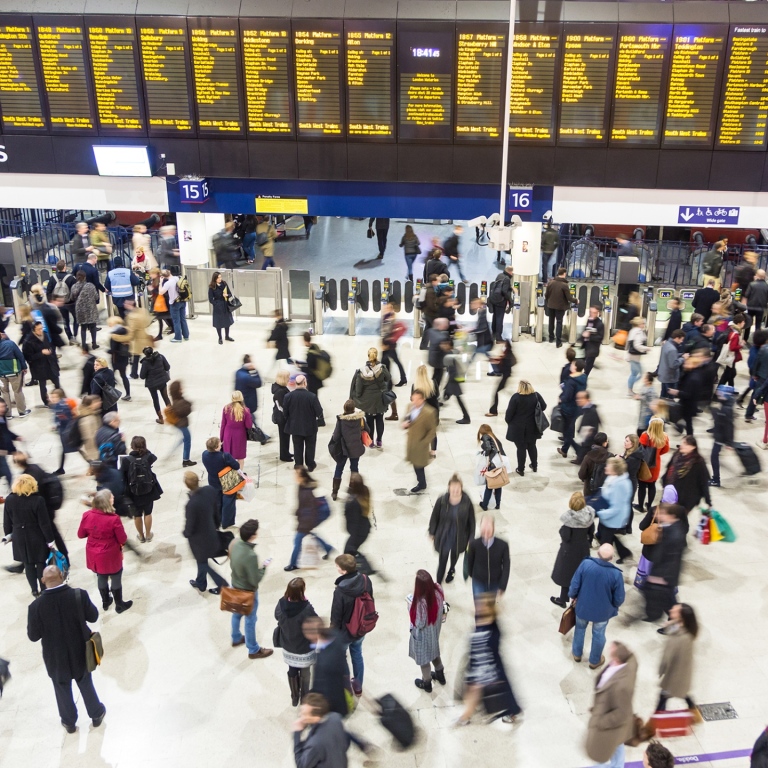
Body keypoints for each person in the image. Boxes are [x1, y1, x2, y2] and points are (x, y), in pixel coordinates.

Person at [27, 565, 107, 734]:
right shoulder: (79, 595)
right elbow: (93, 616)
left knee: (61, 687)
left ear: (42, 581)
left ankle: (69, 722)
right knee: (85, 682)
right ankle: (96, 714)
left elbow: (33, 636)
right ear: (62, 576)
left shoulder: (35, 607)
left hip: (54, 657)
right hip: (80, 651)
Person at [457, 593, 521, 725]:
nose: (477, 607)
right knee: (473, 689)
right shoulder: (482, 620)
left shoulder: (492, 630)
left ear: (487, 609)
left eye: (481, 605)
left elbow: (489, 650)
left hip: (486, 666)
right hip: (478, 663)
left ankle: (466, 716)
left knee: (478, 689)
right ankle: (466, 715)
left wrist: (485, 671)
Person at [569, 544, 626, 669]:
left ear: (597, 554)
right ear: (612, 558)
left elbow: (575, 584)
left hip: (583, 606)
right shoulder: (616, 574)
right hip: (602, 612)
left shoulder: (585, 564)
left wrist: (572, 596)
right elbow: (619, 598)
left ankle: (577, 654)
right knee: (599, 634)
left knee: (579, 629)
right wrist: (614, 605)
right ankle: (594, 661)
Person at [77, 489, 132, 613]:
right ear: (107, 503)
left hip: (94, 553)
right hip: (111, 553)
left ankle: (106, 601)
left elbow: (81, 534)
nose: (113, 498)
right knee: (116, 576)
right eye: (111, 498)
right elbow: (122, 538)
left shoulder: (87, 515)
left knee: (101, 576)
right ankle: (119, 605)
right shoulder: (114, 519)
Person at [585, 641, 638, 768]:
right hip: (612, 722)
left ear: (617, 657)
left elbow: (621, 714)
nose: (609, 648)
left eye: (612, 649)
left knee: (610, 748)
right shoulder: (623, 662)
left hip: (612, 725)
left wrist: (601, 722)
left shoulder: (622, 686)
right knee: (617, 745)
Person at [2, 474, 54, 596]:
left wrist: (8, 535)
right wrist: (50, 540)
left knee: (28, 564)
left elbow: (7, 521)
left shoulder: (10, 499)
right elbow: (44, 523)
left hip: (19, 537)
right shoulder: (38, 500)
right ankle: (44, 588)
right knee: (41, 562)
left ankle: (34, 590)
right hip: (37, 536)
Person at [230, 518, 273, 660]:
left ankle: (236, 637)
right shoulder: (251, 555)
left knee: (236, 613)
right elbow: (255, 579)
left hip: (235, 584)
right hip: (247, 591)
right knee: (250, 619)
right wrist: (263, 568)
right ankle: (253, 650)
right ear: (252, 536)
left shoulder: (235, 543)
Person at [330, 553, 372, 696]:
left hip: (345, 632)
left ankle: (345, 686)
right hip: (361, 627)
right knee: (357, 654)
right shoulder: (366, 580)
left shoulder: (340, 590)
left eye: (337, 566)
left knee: (342, 658)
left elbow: (336, 615)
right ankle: (358, 686)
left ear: (343, 570)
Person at [183, 471, 227, 594]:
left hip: (199, 541)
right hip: (212, 533)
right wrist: (217, 524)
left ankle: (221, 584)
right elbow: (216, 510)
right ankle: (200, 582)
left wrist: (185, 533)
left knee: (203, 563)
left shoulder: (191, 504)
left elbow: (190, 527)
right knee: (202, 562)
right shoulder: (209, 490)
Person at [276, 577, 318, 706]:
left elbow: (277, 616)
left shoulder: (281, 603)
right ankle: (304, 697)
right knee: (305, 673)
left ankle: (294, 696)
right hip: (303, 647)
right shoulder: (306, 609)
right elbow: (315, 622)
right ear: (302, 591)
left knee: (292, 669)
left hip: (288, 645)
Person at [428, 474, 476, 584]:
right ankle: (438, 585)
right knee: (442, 561)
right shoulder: (442, 500)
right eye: (453, 488)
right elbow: (434, 516)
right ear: (448, 488)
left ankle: (452, 569)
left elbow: (472, 521)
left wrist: (471, 538)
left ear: (461, 488)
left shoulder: (466, 501)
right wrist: (432, 531)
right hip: (444, 536)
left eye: (457, 489)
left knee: (454, 557)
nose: (455, 491)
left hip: (460, 537)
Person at [643, 503, 687, 621]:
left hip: (665, 576)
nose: (658, 515)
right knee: (663, 597)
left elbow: (671, 560)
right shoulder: (670, 527)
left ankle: (676, 622)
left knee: (669, 602)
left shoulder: (675, 534)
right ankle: (654, 615)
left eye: (662, 513)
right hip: (662, 573)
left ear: (672, 515)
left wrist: (660, 577)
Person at [285, 467, 334, 571]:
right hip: (305, 519)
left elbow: (311, 511)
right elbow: (302, 505)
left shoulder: (307, 492)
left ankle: (293, 564)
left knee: (297, 540)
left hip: (307, 521)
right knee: (311, 534)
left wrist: (304, 525)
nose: (294, 477)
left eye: (296, 475)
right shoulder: (301, 486)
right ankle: (328, 548)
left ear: (302, 477)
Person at [550, 492, 595, 607]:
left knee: (566, 575)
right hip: (583, 549)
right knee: (580, 574)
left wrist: (561, 529)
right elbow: (591, 533)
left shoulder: (569, 521)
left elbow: (566, 537)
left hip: (569, 551)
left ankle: (562, 599)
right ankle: (577, 600)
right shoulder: (589, 517)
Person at [301, 618, 349, 718]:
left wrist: (310, 700)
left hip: (330, 704)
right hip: (340, 688)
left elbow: (320, 686)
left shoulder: (324, 660)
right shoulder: (336, 635)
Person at [662, 436, 711, 532]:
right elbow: (669, 468)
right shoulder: (677, 454)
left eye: (685, 444)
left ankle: (680, 538)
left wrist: (708, 502)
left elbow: (704, 483)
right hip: (671, 493)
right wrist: (664, 481)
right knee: (669, 517)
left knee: (678, 520)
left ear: (693, 447)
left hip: (686, 499)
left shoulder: (698, 462)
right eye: (682, 443)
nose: (682, 445)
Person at [408, 569, 445, 692]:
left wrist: (409, 607)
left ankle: (427, 683)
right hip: (435, 632)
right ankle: (440, 675)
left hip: (423, 636)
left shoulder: (420, 603)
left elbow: (419, 623)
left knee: (424, 661)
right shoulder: (439, 590)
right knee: (434, 652)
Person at [594, 457, 634, 563]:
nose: (606, 467)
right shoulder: (612, 477)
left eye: (608, 466)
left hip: (612, 518)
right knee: (607, 535)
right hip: (607, 514)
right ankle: (624, 552)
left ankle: (603, 563)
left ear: (615, 469)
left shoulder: (620, 484)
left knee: (605, 542)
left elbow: (616, 508)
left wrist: (600, 513)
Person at [123, 435, 162, 544]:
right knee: (148, 513)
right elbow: (154, 457)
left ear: (132, 446)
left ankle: (141, 536)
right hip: (148, 489)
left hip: (133, 491)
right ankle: (148, 534)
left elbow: (122, 473)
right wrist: (145, 451)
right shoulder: (148, 457)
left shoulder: (127, 460)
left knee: (137, 515)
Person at [505, 380, 546, 476]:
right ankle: (534, 465)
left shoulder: (516, 397)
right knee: (532, 446)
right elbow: (543, 407)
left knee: (521, 448)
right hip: (533, 427)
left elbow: (509, 414)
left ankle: (521, 469)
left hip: (518, 428)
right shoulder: (536, 396)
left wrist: (510, 423)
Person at [351, 348, 390, 448]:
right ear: (376, 356)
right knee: (380, 419)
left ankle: (371, 441)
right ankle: (379, 440)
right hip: (380, 400)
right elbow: (388, 378)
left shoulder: (362, 371)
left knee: (369, 421)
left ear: (368, 356)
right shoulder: (382, 368)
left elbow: (358, 390)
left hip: (367, 402)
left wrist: (357, 397)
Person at [284, 374, 324, 471]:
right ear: (305, 383)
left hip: (295, 426)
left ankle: (298, 465)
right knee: (310, 446)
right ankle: (310, 464)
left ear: (295, 384)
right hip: (310, 426)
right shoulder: (312, 396)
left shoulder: (288, 396)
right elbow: (319, 411)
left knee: (297, 447)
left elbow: (285, 413)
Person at [466, 513, 510, 598]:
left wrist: (502, 585)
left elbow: (506, 566)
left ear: (493, 528)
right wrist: (472, 574)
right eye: (483, 531)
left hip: (495, 581)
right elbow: (470, 561)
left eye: (488, 531)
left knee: (490, 606)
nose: (486, 535)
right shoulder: (474, 544)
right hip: (478, 581)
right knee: (480, 608)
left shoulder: (503, 545)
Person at [329, 400, 365, 500]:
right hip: (356, 448)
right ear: (354, 409)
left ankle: (335, 492)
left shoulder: (341, 420)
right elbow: (367, 430)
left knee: (339, 468)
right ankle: (353, 491)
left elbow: (336, 437)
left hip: (343, 449)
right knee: (354, 469)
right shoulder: (360, 418)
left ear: (344, 408)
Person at [403, 389, 438, 493]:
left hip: (421, 444)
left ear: (423, 399)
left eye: (418, 399)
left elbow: (432, 431)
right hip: (411, 442)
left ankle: (422, 483)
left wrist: (424, 442)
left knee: (419, 465)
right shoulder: (410, 407)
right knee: (415, 464)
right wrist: (404, 424)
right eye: (413, 399)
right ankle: (421, 482)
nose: (415, 401)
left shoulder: (429, 412)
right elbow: (406, 419)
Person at [202, 437, 240, 529]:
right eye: (220, 444)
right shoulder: (225, 456)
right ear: (216, 448)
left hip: (213, 481)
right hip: (226, 481)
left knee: (217, 502)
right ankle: (227, 522)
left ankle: (217, 521)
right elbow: (236, 465)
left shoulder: (204, 454)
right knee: (228, 501)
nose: (221, 445)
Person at [22, 321, 60, 405]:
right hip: (39, 367)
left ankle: (60, 399)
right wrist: (41, 353)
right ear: (33, 330)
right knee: (43, 386)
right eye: (38, 329)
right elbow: (28, 357)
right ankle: (46, 402)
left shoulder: (45, 335)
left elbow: (50, 345)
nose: (41, 331)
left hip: (50, 364)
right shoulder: (28, 341)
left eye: (41, 328)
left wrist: (51, 352)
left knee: (57, 383)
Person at [637, 417, 670, 511]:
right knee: (652, 485)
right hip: (656, 464)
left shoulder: (645, 436)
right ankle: (649, 505)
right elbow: (666, 450)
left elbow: (640, 450)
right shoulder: (664, 437)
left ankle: (640, 506)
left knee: (642, 486)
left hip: (644, 464)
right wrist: (657, 454)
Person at [558, 360, 588, 459]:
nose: (571, 365)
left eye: (572, 364)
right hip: (578, 408)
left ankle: (578, 450)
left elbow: (567, 396)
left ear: (575, 367)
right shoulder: (584, 377)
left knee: (567, 431)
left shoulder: (571, 381)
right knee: (570, 427)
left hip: (568, 409)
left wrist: (561, 398)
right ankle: (564, 449)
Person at [475, 424, 508, 510]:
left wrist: (486, 456)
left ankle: (484, 505)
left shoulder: (486, 436)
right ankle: (497, 504)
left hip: (493, 463)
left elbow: (488, 448)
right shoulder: (494, 438)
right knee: (498, 484)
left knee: (490, 484)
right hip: (499, 463)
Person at [220, 391, 253, 470]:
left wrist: (221, 438)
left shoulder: (226, 408)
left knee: (228, 457)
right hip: (240, 436)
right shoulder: (245, 410)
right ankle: (240, 474)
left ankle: (230, 475)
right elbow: (248, 425)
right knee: (240, 458)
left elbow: (223, 425)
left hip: (228, 435)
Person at [0, 331, 29, 418]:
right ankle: (22, 412)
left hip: (1, 374)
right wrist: (24, 367)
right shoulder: (10, 344)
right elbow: (20, 356)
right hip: (14, 372)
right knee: (18, 391)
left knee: (5, 393)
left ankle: (7, 414)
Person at [139, 346, 171, 424]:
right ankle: (171, 416)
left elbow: (142, 376)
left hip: (152, 384)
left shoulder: (145, 362)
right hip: (162, 381)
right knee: (166, 397)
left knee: (155, 400)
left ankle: (160, 418)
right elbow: (168, 367)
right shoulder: (160, 357)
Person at [545, 268, 576, 347]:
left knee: (551, 321)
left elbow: (546, 295)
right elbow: (569, 298)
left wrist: (549, 301)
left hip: (551, 305)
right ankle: (558, 342)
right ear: (564, 274)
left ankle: (551, 338)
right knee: (559, 323)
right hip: (560, 307)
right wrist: (576, 300)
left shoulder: (551, 283)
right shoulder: (564, 285)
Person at [168, 380, 195, 467]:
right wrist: (189, 405)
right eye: (180, 388)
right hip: (181, 424)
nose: (182, 389)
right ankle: (186, 460)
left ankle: (176, 451)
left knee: (185, 438)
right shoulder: (179, 402)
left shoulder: (177, 398)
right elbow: (186, 410)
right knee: (187, 440)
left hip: (179, 424)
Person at [70, 270, 100, 350]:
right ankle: (94, 344)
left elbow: (72, 298)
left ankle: (84, 345)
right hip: (91, 309)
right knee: (93, 326)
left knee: (83, 327)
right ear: (85, 277)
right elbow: (96, 297)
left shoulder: (74, 286)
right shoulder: (90, 285)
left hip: (80, 309)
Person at [485, 339, 516, 417]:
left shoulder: (507, 354)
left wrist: (497, 361)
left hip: (505, 376)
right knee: (503, 391)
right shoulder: (507, 353)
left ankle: (493, 411)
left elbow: (504, 362)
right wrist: (495, 360)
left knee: (497, 392)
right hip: (506, 375)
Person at [105, 255, 140, 320]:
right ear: (122, 262)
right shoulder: (128, 271)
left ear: (114, 263)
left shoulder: (110, 273)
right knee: (131, 315)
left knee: (122, 315)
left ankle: (125, 325)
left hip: (117, 298)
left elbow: (107, 285)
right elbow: (136, 282)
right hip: (129, 297)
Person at [717, 315, 747, 387]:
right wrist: (741, 345)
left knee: (730, 372)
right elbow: (732, 347)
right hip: (731, 356)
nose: (744, 323)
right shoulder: (735, 334)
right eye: (743, 322)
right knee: (729, 373)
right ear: (739, 323)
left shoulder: (730, 328)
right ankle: (719, 390)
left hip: (730, 355)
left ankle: (731, 388)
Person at [107, 316, 132, 402]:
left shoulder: (115, 335)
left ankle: (111, 395)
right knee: (123, 376)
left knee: (111, 376)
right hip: (124, 358)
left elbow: (113, 349)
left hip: (116, 358)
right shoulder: (126, 332)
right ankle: (128, 394)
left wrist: (108, 351)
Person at [487, 265, 514, 341]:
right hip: (501, 301)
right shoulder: (507, 279)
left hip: (494, 299)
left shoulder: (499, 275)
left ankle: (494, 334)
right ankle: (499, 338)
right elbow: (504, 291)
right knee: (499, 319)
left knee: (495, 317)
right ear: (510, 272)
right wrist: (510, 300)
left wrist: (510, 288)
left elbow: (498, 286)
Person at [272, 370, 293, 463]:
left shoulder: (281, 388)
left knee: (286, 436)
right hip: (282, 418)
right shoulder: (280, 391)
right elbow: (281, 407)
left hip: (283, 417)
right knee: (284, 437)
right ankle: (284, 455)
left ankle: (286, 452)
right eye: (288, 377)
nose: (289, 379)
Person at [208, 272, 235, 344]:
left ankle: (227, 336)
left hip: (225, 305)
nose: (220, 279)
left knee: (227, 321)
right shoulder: (212, 287)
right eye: (218, 277)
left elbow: (230, 294)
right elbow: (211, 299)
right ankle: (220, 337)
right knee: (218, 323)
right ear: (215, 279)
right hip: (218, 307)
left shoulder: (224, 284)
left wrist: (227, 295)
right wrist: (216, 304)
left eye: (220, 277)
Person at [658, 329, 685, 399]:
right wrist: (683, 358)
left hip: (664, 374)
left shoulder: (667, 343)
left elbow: (670, 356)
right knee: (670, 397)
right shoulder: (673, 349)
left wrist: (680, 355)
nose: (681, 342)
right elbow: (673, 365)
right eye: (681, 339)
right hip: (670, 377)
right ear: (677, 338)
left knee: (663, 395)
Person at [627, 317, 650, 396]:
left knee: (637, 373)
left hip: (633, 356)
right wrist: (646, 348)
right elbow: (637, 345)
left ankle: (630, 387)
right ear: (639, 324)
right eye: (643, 323)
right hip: (634, 357)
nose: (644, 325)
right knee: (636, 374)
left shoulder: (633, 330)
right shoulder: (638, 332)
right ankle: (630, 389)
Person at [582, 304, 605, 376]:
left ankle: (585, 376)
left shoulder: (600, 324)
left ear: (598, 313)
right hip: (586, 346)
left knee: (589, 363)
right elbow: (586, 330)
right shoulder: (589, 320)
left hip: (593, 348)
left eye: (594, 312)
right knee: (583, 361)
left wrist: (589, 336)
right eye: (590, 312)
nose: (592, 314)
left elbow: (600, 337)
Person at [745, 269, 768, 337]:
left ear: (757, 275)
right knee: (758, 325)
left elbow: (747, 295)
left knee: (748, 323)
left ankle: (745, 338)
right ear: (764, 276)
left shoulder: (752, 284)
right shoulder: (766, 286)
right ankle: (756, 340)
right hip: (761, 308)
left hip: (751, 307)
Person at [635, 370, 659, 436]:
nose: (643, 379)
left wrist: (641, 397)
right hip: (642, 411)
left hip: (647, 414)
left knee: (642, 430)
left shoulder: (652, 392)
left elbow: (652, 404)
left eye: (645, 378)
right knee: (640, 429)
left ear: (649, 381)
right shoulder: (644, 386)